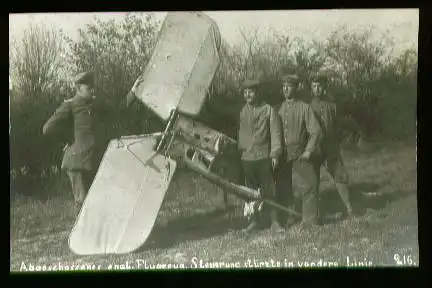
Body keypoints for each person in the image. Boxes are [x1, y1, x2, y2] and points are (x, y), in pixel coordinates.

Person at [43, 71, 97, 212]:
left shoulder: (93, 105)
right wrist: (67, 139)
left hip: (89, 162)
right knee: (82, 203)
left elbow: (117, 110)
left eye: (92, 87)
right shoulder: (70, 105)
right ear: (78, 89)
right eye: (88, 88)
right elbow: (47, 128)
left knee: (93, 202)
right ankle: (82, 234)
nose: (92, 90)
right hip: (76, 163)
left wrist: (133, 92)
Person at [275, 74, 323, 227]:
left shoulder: (304, 107)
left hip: (299, 152)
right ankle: (288, 217)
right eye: (283, 86)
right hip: (282, 154)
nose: (285, 89)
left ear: (296, 88)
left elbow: (315, 131)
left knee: (311, 182)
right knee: (283, 186)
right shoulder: (278, 109)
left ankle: (309, 219)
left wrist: (308, 151)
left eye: (289, 86)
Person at [238, 79, 284, 233]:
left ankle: (275, 222)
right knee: (249, 192)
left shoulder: (268, 110)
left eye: (250, 92)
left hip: (263, 157)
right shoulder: (243, 111)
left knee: (269, 190)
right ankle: (254, 221)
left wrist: (275, 154)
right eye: (245, 92)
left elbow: (276, 134)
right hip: (247, 158)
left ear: (257, 93)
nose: (247, 95)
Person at [309, 73, 354, 218]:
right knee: (313, 181)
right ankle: (316, 213)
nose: (317, 89)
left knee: (339, 175)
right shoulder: (309, 107)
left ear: (324, 87)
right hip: (315, 148)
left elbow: (340, 126)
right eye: (314, 86)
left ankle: (349, 207)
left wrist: (336, 143)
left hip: (330, 147)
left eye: (319, 86)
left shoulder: (332, 106)